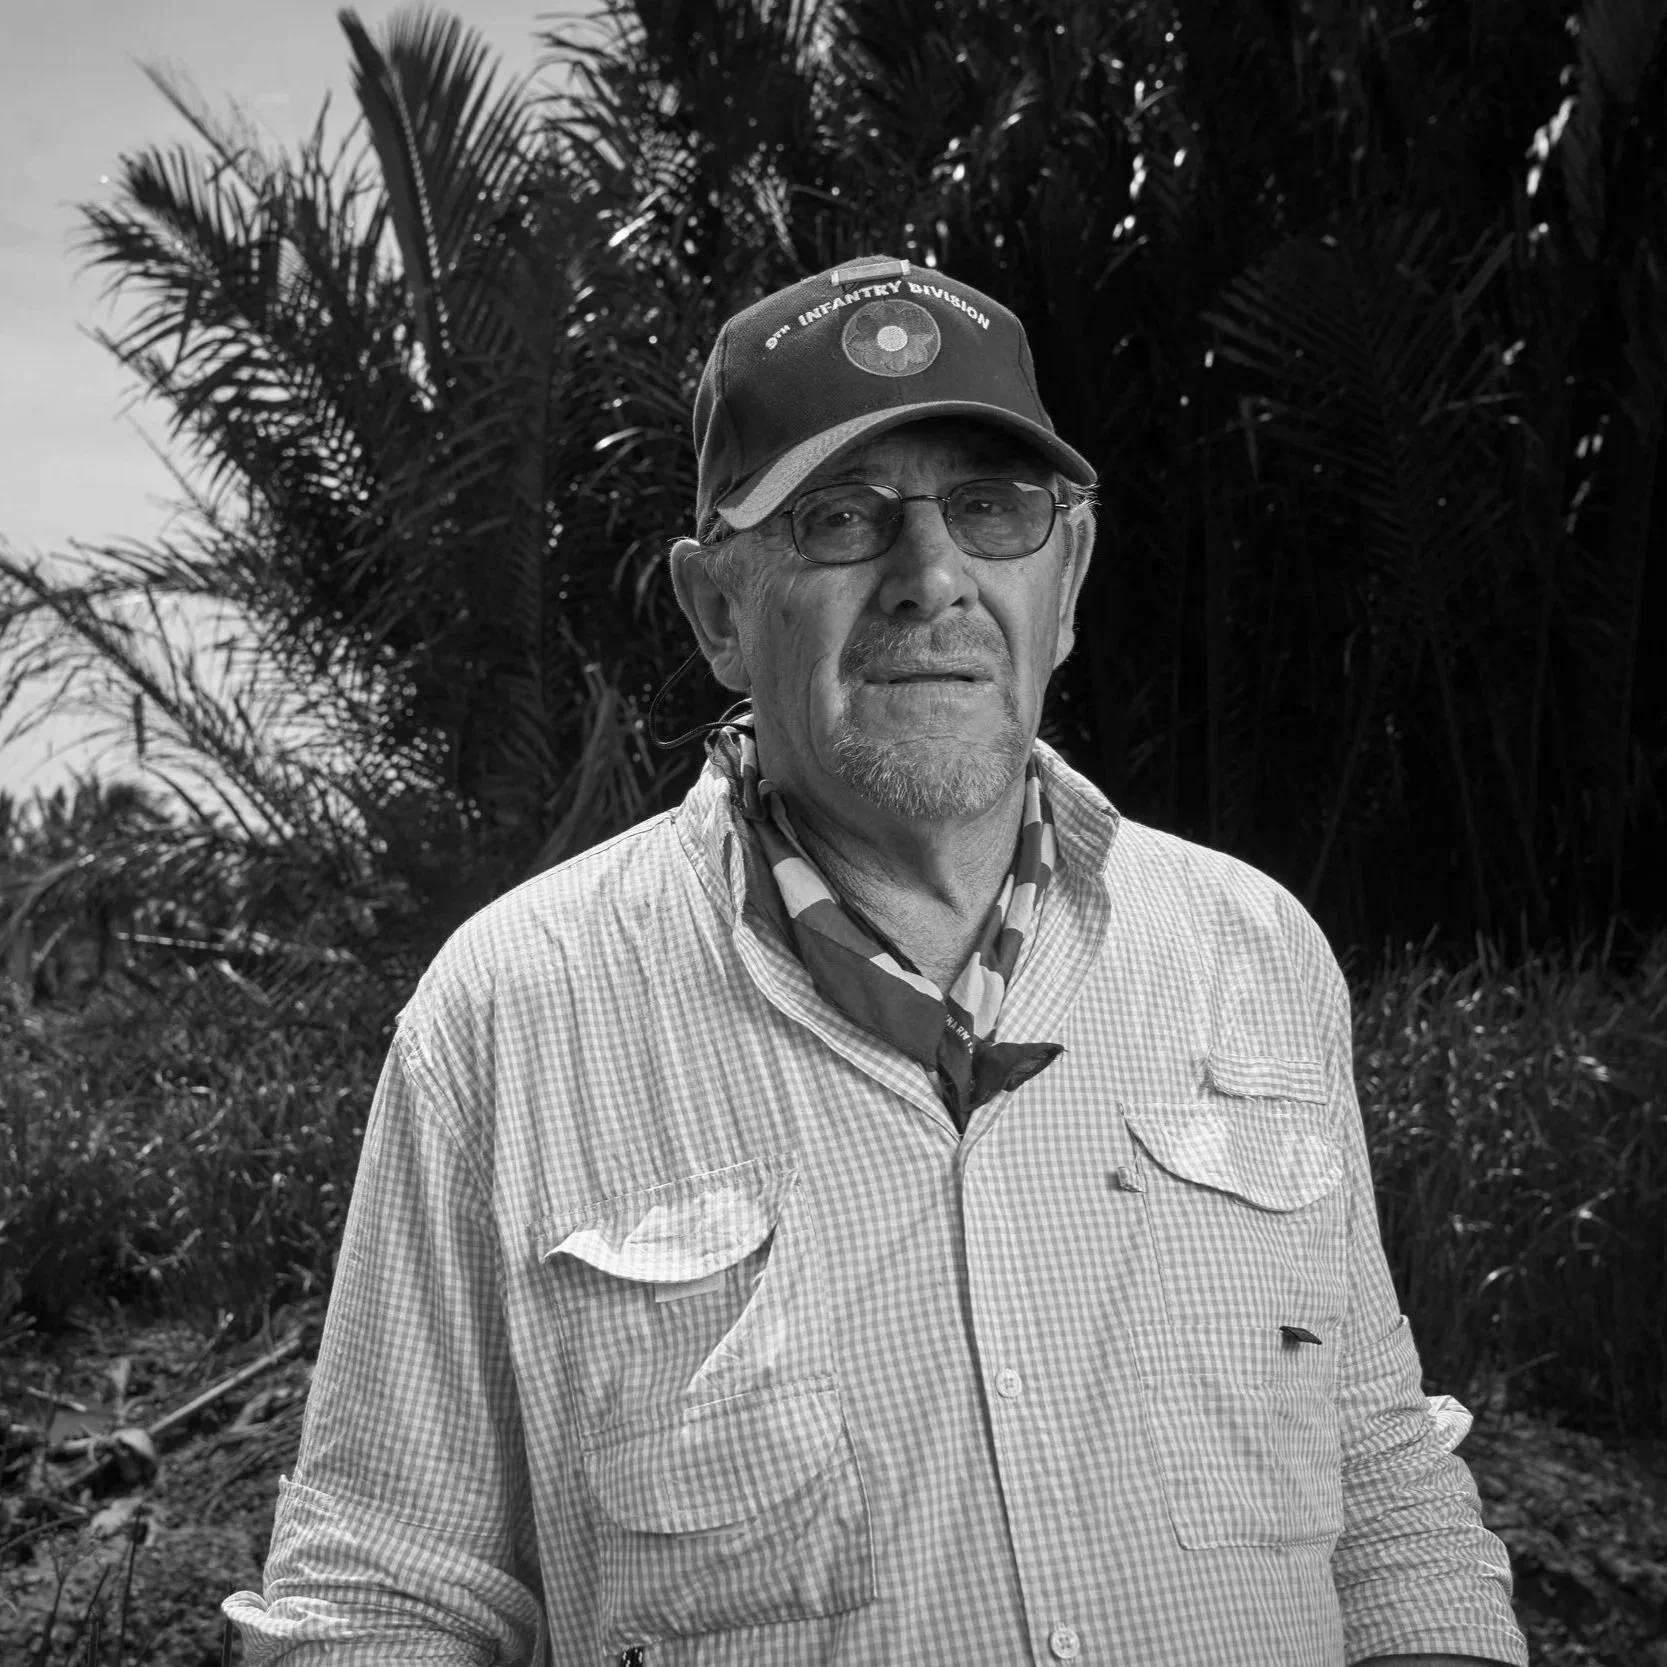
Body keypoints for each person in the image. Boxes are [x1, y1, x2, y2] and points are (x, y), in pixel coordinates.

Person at [225, 256, 1527, 1667]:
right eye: (842, 518)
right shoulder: (509, 1016)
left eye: (991, 507)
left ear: (1067, 576)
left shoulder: (1251, 952)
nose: (933, 579)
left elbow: (1385, 1500)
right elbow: (381, 1605)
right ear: (716, 610)